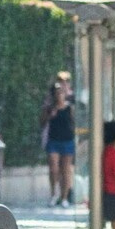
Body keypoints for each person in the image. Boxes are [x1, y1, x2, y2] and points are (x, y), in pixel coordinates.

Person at [40, 73, 77, 207]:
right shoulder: (49, 108)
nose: (59, 95)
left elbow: (74, 122)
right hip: (54, 140)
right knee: (53, 169)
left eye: (61, 93)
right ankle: (53, 194)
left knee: (66, 170)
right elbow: (42, 122)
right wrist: (50, 115)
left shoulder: (70, 107)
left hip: (67, 140)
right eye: (57, 93)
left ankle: (64, 197)